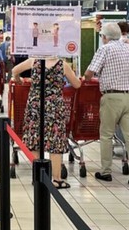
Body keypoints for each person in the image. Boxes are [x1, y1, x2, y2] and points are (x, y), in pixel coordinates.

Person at [84, 23, 129, 187]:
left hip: (112, 98)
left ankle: (106, 172)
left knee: (106, 135)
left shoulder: (104, 49)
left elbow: (88, 74)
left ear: (104, 37)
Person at [13, 55, 81, 188]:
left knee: (34, 138)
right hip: (55, 105)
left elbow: (15, 70)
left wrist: (19, 80)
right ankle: (56, 179)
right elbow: (77, 84)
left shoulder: (34, 60)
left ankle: (38, 176)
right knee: (55, 140)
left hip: (35, 104)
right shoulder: (63, 65)